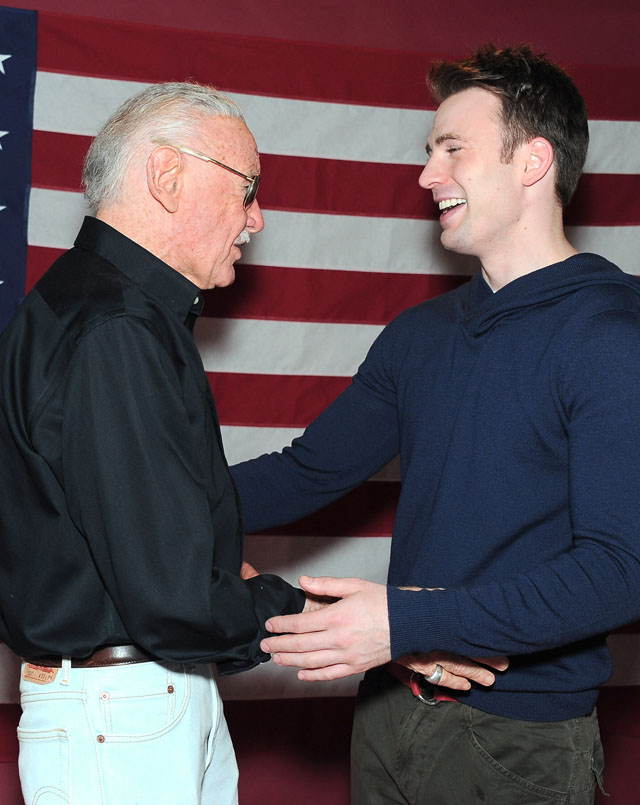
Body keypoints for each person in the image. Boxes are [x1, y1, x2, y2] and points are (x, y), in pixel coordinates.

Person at [230, 45, 640, 803]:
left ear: (533, 162)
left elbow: (621, 571)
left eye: (453, 148)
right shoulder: (419, 335)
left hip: (523, 744)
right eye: (427, 151)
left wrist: (408, 620)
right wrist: (139, 501)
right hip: (387, 716)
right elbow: (304, 472)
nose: (426, 175)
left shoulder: (610, 333)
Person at [0, 81, 312, 805]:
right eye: (247, 189)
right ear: (167, 177)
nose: (256, 218)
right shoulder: (115, 328)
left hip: (132, 703)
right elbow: (170, 602)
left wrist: (207, 577)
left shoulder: (93, 308)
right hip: (124, 710)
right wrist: (300, 612)